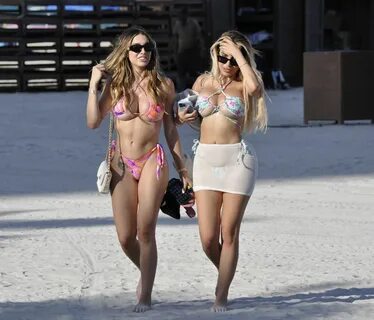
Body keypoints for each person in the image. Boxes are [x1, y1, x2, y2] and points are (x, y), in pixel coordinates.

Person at [86, 26, 192, 313]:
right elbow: (93, 122)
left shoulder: (164, 85)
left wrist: (184, 170)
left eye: (147, 47)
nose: (143, 52)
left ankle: (144, 294)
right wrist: (94, 85)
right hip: (121, 163)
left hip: (152, 161)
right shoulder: (116, 86)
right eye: (136, 48)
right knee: (125, 237)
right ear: (127, 53)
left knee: (145, 231)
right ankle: (148, 271)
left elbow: (171, 131)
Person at [177, 30, 268, 312]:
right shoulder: (202, 82)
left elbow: (255, 89)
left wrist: (240, 56)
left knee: (229, 233)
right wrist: (181, 115)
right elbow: (181, 114)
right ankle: (226, 273)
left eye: (233, 58)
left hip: (237, 162)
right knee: (207, 239)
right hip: (205, 160)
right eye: (223, 56)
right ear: (215, 54)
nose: (228, 62)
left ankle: (221, 294)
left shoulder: (244, 84)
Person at [173, 6, 205, 90]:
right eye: (180, 16)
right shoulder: (177, 24)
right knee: (181, 74)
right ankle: (180, 93)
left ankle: (197, 91)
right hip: (181, 52)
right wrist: (175, 53)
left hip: (192, 52)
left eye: (183, 15)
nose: (181, 17)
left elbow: (199, 37)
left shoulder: (193, 23)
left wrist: (201, 50)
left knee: (195, 74)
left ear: (186, 15)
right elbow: (175, 39)